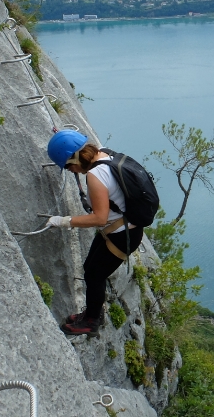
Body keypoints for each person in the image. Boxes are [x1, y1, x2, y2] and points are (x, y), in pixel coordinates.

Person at [46, 130, 144, 337]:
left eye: (68, 166)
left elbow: (99, 218)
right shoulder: (104, 154)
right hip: (122, 229)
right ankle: (91, 312)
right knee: (90, 269)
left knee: (95, 275)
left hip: (120, 234)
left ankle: (91, 321)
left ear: (75, 158)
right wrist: (63, 138)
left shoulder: (95, 175)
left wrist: (64, 221)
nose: (72, 171)